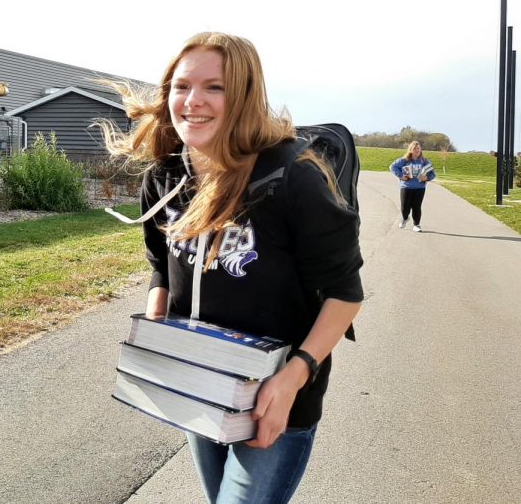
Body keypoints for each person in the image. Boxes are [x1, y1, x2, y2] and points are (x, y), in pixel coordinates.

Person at [100, 32, 363, 503]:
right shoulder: (165, 176)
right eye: (181, 87)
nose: (193, 101)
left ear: (243, 95)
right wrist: (158, 336)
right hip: (201, 380)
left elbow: (345, 294)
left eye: (214, 87)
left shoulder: (294, 179)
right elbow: (160, 262)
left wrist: (291, 379)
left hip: (275, 398)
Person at [389, 140, 436, 232]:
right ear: (410, 150)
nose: (417, 150)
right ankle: (405, 218)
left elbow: (433, 174)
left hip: (420, 188)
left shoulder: (424, 161)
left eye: (418, 148)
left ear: (420, 150)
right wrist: (401, 176)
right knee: (405, 207)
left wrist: (426, 178)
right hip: (406, 186)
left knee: (417, 206)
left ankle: (416, 225)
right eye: (414, 148)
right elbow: (392, 167)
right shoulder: (404, 160)